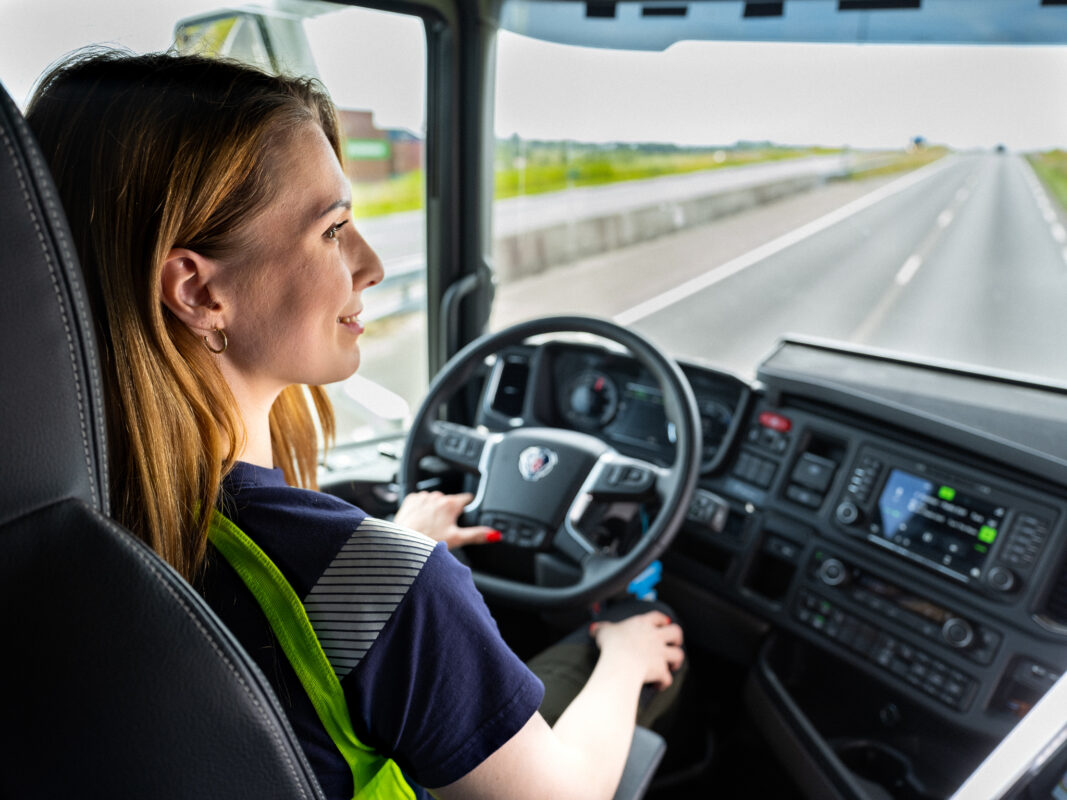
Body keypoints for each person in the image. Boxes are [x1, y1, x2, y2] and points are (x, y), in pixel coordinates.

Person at [26, 49, 684, 800]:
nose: (369, 265)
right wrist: (626, 656)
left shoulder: (63, 518)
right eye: (334, 230)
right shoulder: (395, 590)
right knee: (635, 650)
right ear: (199, 292)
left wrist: (392, 555)